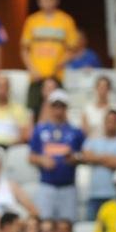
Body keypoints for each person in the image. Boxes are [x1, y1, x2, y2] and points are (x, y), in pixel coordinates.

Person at [20, 0, 79, 114]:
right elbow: (24, 49)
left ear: (56, 0)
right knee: (33, 111)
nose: (44, 2)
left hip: (56, 75)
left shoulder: (66, 21)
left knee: (58, 111)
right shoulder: (32, 21)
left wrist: (59, 64)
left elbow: (72, 49)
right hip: (36, 76)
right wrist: (31, 69)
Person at [29, 89, 85, 221]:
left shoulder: (75, 131)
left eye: (61, 106)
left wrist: (74, 159)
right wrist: (42, 160)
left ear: (66, 108)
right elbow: (31, 156)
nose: (58, 110)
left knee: (67, 224)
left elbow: (84, 155)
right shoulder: (40, 130)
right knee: (44, 223)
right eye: (55, 106)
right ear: (50, 107)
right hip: (47, 184)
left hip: (68, 186)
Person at [80, 110, 116, 220]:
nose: (110, 124)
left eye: (113, 121)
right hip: (94, 194)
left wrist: (97, 158)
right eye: (108, 121)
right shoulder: (93, 140)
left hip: (114, 195)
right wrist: (108, 158)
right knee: (92, 230)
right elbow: (86, 157)